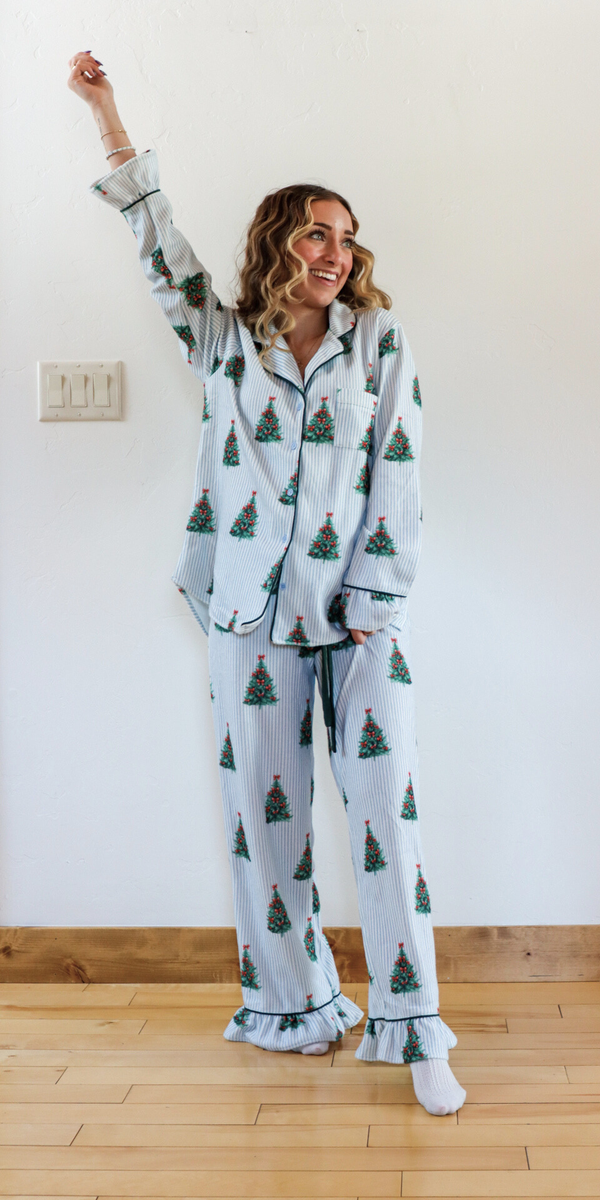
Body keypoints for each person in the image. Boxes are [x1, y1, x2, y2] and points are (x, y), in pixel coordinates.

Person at [68, 50, 466, 1116]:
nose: (337, 251)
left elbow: (401, 474)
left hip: (358, 617)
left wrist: (373, 599)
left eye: (347, 235)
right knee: (261, 819)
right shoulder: (224, 341)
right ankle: (292, 1008)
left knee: (385, 811)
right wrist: (107, 112)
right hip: (246, 615)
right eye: (316, 232)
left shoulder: (378, 342)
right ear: (278, 242)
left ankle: (413, 1024)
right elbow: (155, 237)